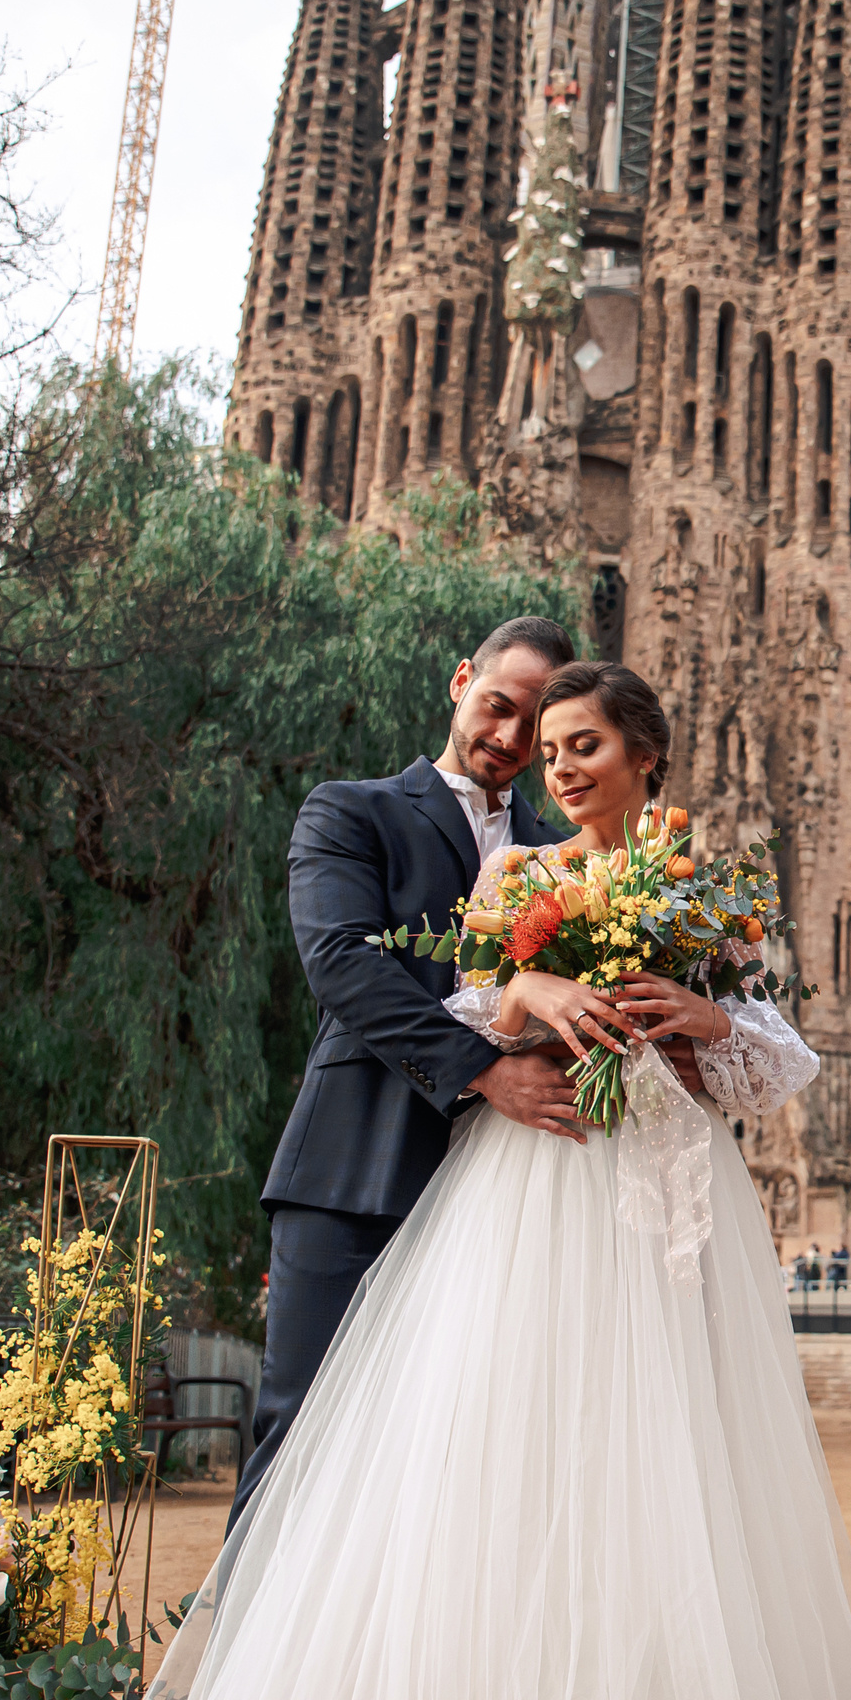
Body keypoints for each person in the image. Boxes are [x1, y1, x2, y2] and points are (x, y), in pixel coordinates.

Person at [127, 660, 851, 1700]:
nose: (556, 762)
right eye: (547, 741)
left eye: (581, 741)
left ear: (645, 751)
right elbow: (453, 990)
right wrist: (528, 985)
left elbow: (769, 1046)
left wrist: (701, 1023)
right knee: (480, 1449)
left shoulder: (699, 888)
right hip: (530, 1175)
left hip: (657, 1183)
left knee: (656, 1466)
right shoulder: (517, 872)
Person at [228, 615, 581, 1527]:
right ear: (462, 681)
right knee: (302, 1427)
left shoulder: (569, 855)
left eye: (531, 724)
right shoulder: (351, 810)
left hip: (502, 1201)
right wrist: (484, 1070)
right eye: (498, 705)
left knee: (455, 1462)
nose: (507, 736)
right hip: (357, 1170)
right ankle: (232, 1665)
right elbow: (344, 964)